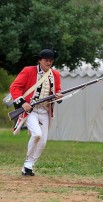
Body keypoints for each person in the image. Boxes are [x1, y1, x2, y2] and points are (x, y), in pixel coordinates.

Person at [10, 48, 63, 176]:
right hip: (31, 111)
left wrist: (58, 96)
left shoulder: (55, 74)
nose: (49, 63)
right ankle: (28, 162)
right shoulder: (28, 71)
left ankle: (29, 166)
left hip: (45, 110)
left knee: (43, 141)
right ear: (39, 60)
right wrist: (23, 103)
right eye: (46, 60)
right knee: (37, 135)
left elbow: (58, 91)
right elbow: (15, 87)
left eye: (51, 61)